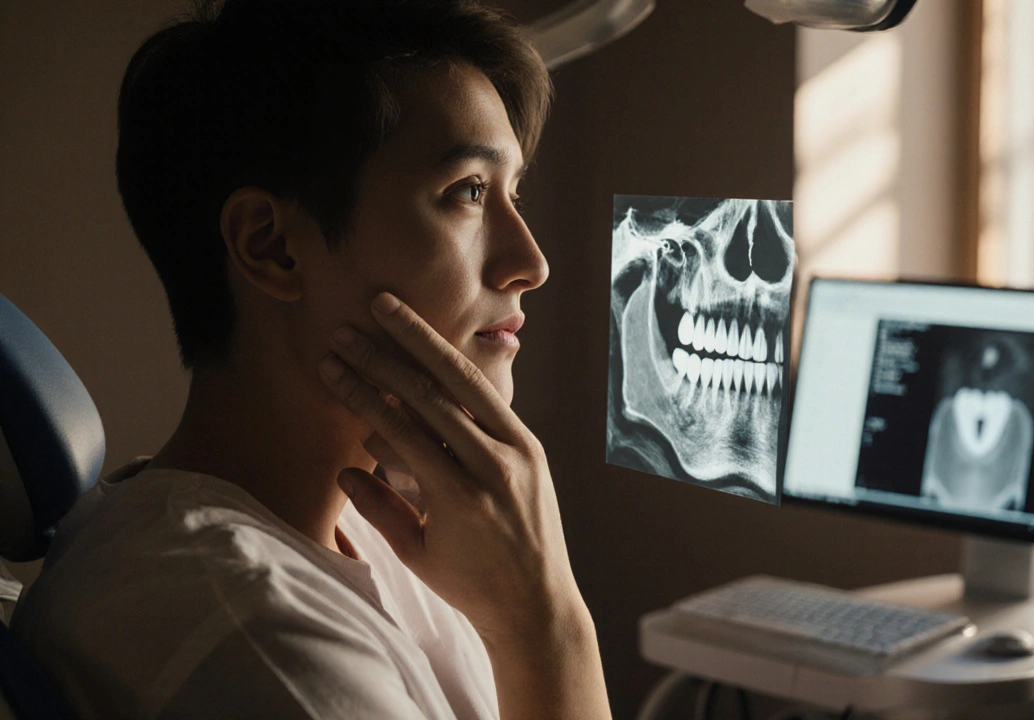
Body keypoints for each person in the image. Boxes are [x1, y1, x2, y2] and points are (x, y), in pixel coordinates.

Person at [12, 1, 611, 718]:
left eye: (513, 194)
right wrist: (548, 621)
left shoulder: (366, 530)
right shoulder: (250, 630)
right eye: (469, 192)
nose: (532, 263)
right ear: (272, 247)